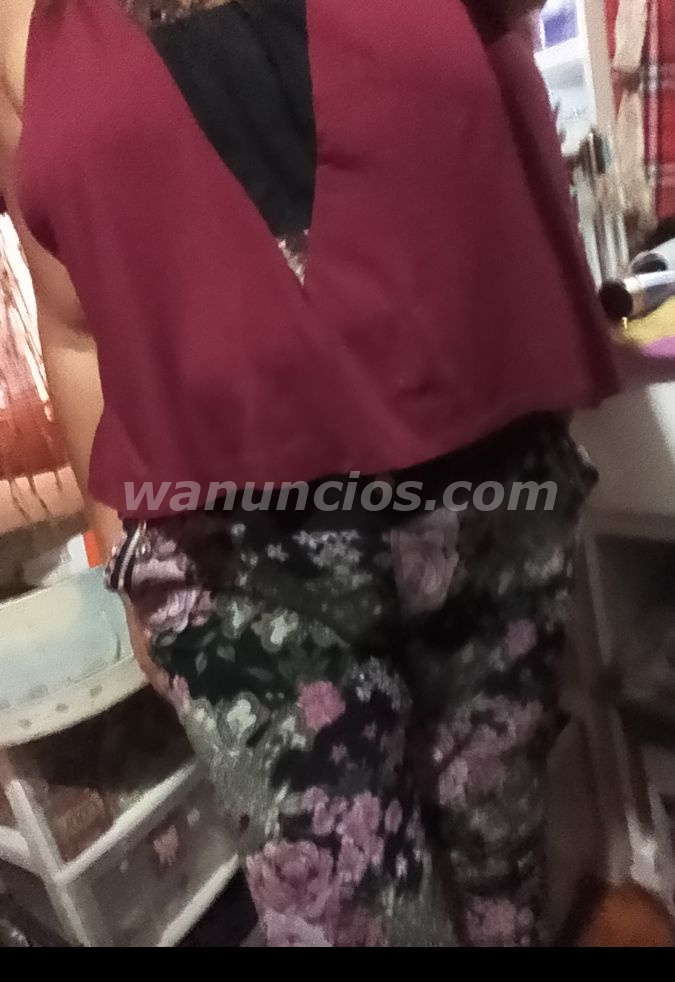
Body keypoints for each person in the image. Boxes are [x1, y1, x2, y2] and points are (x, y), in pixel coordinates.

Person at [0, 0, 617, 946]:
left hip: (488, 506)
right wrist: (120, 552)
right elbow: (74, 323)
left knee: (500, 883)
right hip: (229, 562)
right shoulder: (17, 26)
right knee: (349, 922)